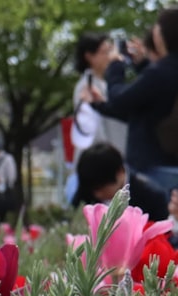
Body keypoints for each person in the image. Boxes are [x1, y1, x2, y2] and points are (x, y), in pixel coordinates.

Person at [86, 7, 178, 193]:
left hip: (151, 165)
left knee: (153, 219)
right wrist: (100, 105)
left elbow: (120, 99)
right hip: (170, 162)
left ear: (162, 35)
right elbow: (144, 112)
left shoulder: (160, 72)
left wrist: (115, 67)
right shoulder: (166, 70)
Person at [72, 142, 175, 221]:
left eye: (101, 188)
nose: (96, 194)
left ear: (120, 173)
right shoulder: (88, 190)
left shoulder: (152, 197)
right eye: (93, 190)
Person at [71, 33, 128, 158]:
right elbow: (93, 128)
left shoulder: (104, 82)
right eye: (105, 52)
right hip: (102, 161)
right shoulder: (86, 86)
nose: (109, 57)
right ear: (89, 56)